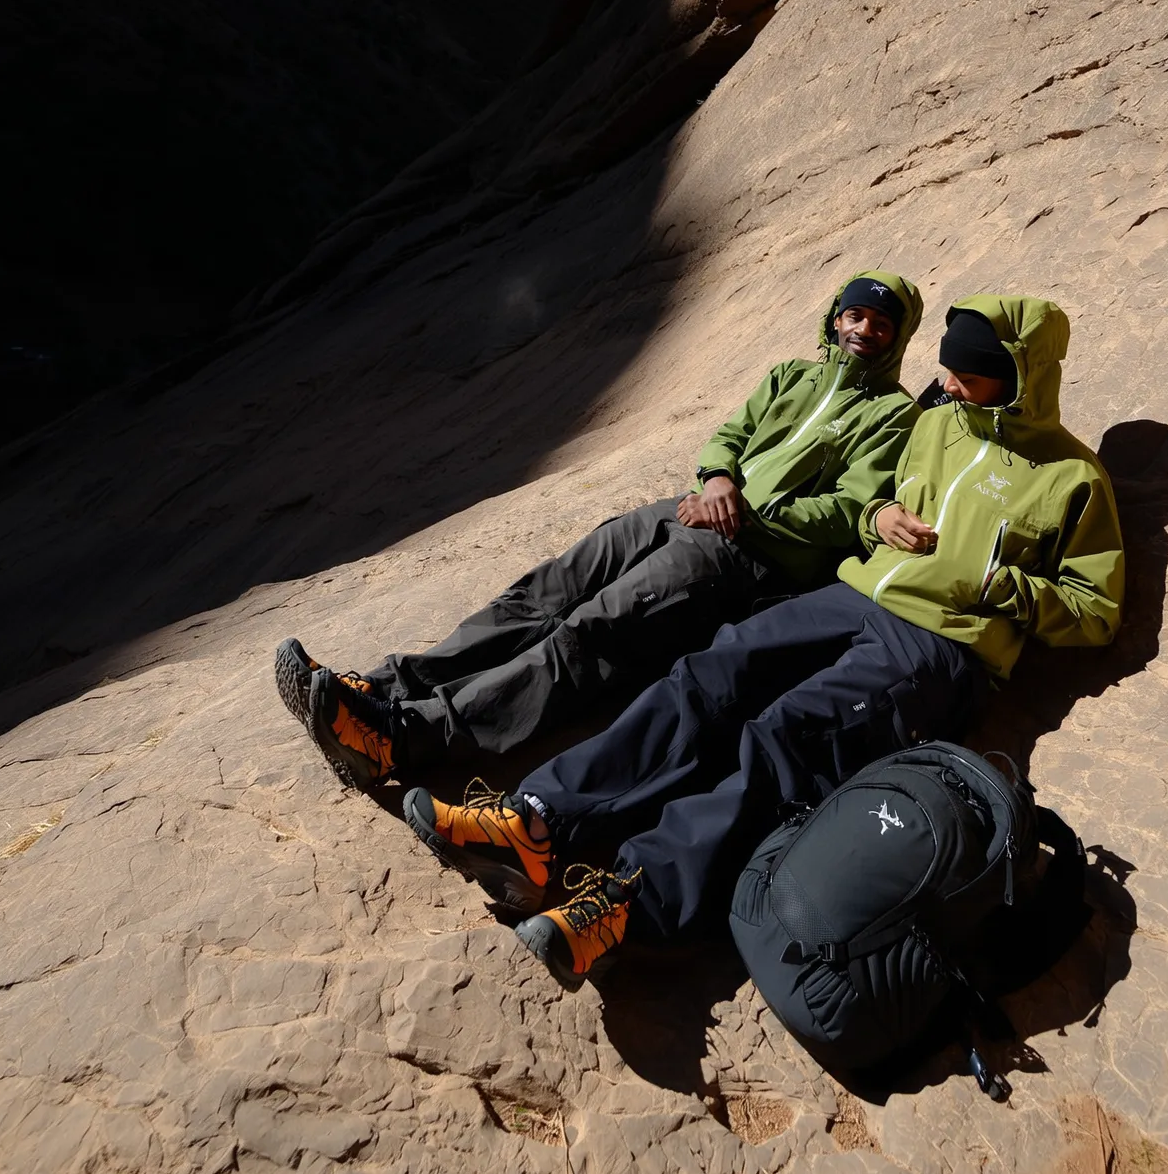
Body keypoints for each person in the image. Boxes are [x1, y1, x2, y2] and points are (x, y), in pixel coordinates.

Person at [404, 293, 1125, 987]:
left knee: (785, 739)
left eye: (966, 376)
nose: (947, 384)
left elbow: (1096, 611)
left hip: (939, 647)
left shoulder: (1072, 478)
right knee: (706, 677)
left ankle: (630, 906)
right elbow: (875, 500)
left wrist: (1004, 588)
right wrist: (878, 521)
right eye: (947, 369)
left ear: (1019, 377)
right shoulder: (937, 427)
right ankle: (535, 823)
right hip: (849, 594)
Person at [275, 269, 924, 798]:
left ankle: (405, 736)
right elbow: (730, 435)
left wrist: (741, 512)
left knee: (592, 634)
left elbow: (847, 511)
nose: (864, 329)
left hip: (743, 555)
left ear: (896, 338)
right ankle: (385, 688)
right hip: (684, 510)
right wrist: (718, 478)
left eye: (881, 323)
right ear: (836, 316)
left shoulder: (893, 416)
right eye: (855, 315)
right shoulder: (792, 375)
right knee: (543, 592)